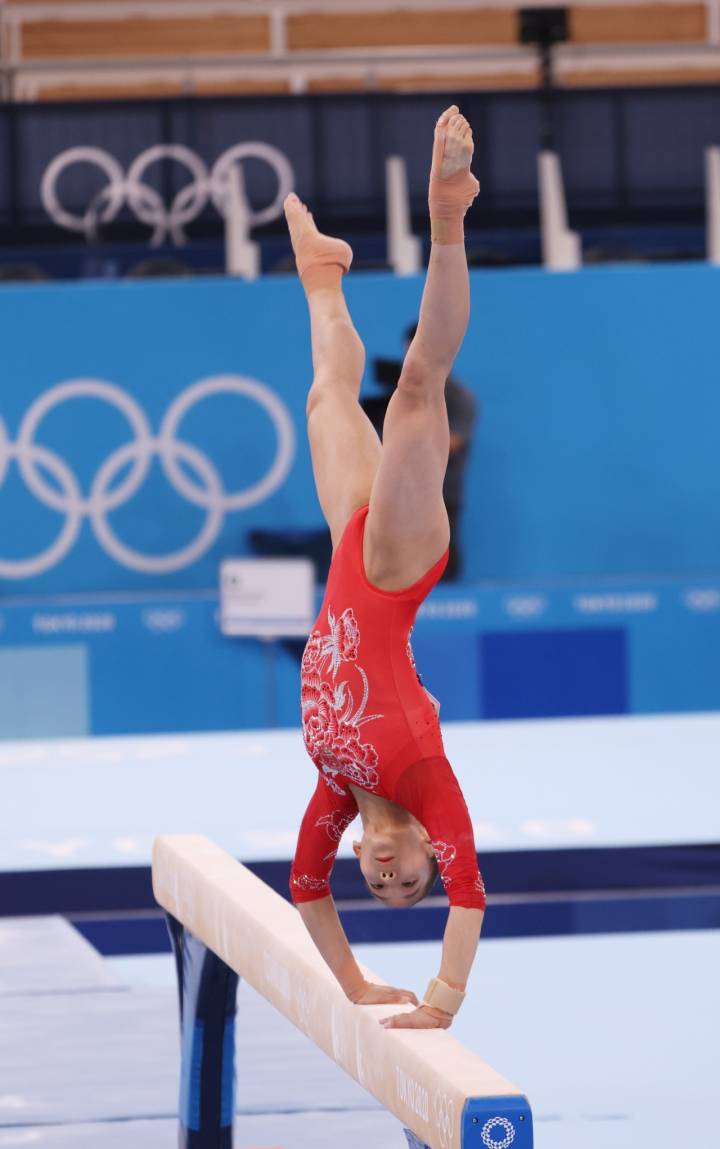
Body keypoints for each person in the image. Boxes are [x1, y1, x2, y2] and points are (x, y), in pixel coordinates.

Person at [284, 106, 486, 1032]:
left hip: (345, 545)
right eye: (411, 881)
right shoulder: (423, 777)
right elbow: (474, 897)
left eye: (381, 886)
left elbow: (303, 888)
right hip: (400, 563)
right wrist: (440, 1000)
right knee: (413, 388)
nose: (389, 876)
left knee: (329, 391)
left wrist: (357, 984)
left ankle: (323, 274)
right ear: (425, 855)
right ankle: (449, 210)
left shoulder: (334, 784)